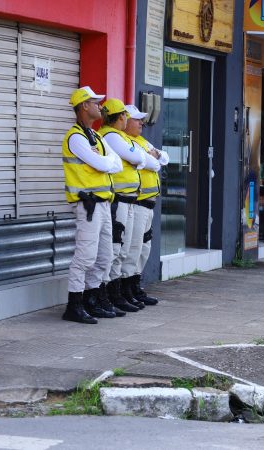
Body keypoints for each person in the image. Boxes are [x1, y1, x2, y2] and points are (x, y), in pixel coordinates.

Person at [61, 86, 123, 324]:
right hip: (88, 205)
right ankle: (74, 305)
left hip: (103, 204)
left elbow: (114, 164)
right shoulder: (75, 137)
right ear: (84, 106)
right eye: (95, 103)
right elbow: (102, 163)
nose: (100, 106)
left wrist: (105, 162)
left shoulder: (95, 136)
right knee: (85, 256)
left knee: (105, 255)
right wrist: (106, 162)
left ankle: (92, 300)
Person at [98, 98, 147, 313]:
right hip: (118, 201)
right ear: (120, 117)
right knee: (116, 249)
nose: (128, 119)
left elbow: (142, 159)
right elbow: (138, 158)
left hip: (128, 201)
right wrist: (139, 158)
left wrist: (139, 158)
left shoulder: (118, 136)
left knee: (125, 248)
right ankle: (110, 294)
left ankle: (117, 292)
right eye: (126, 116)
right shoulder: (111, 136)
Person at [122, 104, 169, 305]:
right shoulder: (125, 141)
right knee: (133, 248)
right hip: (138, 202)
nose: (141, 122)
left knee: (144, 247)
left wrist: (155, 156)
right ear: (124, 121)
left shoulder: (141, 141)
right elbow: (154, 163)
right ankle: (126, 289)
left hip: (149, 203)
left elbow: (164, 158)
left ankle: (135, 286)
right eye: (136, 119)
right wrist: (153, 158)